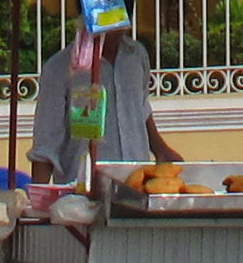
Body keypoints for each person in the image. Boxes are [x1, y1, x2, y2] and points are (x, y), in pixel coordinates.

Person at [26, 15, 181, 183]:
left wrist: (160, 149)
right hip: (82, 189)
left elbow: (140, 107)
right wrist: (38, 199)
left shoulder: (136, 56)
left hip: (135, 184)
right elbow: (46, 143)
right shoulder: (59, 68)